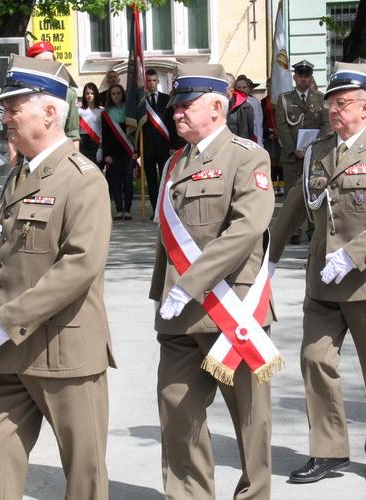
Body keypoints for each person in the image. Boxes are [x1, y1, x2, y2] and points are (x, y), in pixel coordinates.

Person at [0, 55, 114, 499]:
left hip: (62, 348)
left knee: (84, 471)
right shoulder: (20, 174)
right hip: (7, 352)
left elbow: (80, 263)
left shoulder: (82, 179)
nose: (5, 118)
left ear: (50, 112)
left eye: (14, 109)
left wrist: (7, 319)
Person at [270, 61, 366, 486]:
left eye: (343, 102)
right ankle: (328, 449)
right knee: (314, 360)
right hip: (323, 280)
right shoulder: (318, 151)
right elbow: (296, 204)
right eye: (331, 102)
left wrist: (354, 255)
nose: (333, 109)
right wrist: (267, 259)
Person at [150, 62, 280, 499]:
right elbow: (168, 239)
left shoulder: (247, 156)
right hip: (179, 315)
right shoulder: (174, 162)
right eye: (176, 106)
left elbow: (247, 229)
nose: (177, 113)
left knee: (250, 418)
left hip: (231, 309)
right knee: (177, 410)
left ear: (216, 108)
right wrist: (166, 292)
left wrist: (190, 282)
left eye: (186, 105)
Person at [275, 59, 328, 243]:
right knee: (291, 196)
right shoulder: (284, 99)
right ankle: (294, 231)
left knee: (314, 191)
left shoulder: (321, 99)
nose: (304, 79)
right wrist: (293, 150)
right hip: (292, 157)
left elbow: (326, 126)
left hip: (314, 156)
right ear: (295, 77)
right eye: (300, 76)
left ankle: (314, 230)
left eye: (307, 76)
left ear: (311, 77)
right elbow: (282, 127)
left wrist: (315, 149)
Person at [26, 41, 80, 148]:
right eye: (41, 63)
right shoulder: (23, 92)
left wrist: (74, 157)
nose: (46, 66)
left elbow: (73, 133)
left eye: (49, 62)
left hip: (58, 153)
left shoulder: (68, 93)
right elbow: (13, 135)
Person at [143, 68, 181, 212]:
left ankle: (165, 208)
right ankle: (155, 210)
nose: (151, 83)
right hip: (147, 147)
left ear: (158, 81)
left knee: (165, 179)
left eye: (154, 80)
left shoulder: (166, 99)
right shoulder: (141, 102)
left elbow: (172, 124)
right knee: (151, 180)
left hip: (164, 146)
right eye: (148, 81)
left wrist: (174, 144)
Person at [102, 83, 135, 220]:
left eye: (118, 93)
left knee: (128, 180)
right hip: (113, 152)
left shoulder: (129, 111)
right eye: (113, 93)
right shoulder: (106, 113)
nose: (116, 96)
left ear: (123, 94)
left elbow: (135, 132)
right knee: (115, 181)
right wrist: (106, 154)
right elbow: (105, 135)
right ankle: (119, 210)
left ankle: (127, 210)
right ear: (110, 96)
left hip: (128, 150)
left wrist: (136, 150)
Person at [261, 77, 282, 193]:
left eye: (272, 86)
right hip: (270, 135)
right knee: (272, 161)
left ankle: (282, 184)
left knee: (281, 161)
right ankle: (273, 185)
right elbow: (262, 120)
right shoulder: (263, 102)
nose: (270, 88)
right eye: (268, 86)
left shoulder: (281, 100)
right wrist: (268, 133)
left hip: (281, 135)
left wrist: (281, 132)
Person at [79, 82, 103, 166]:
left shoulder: (102, 111)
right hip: (83, 143)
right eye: (87, 93)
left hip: (97, 144)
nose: (89, 95)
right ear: (84, 95)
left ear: (96, 94)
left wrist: (101, 148)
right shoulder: (79, 111)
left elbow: (103, 130)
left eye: (92, 93)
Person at [236, 75, 264, 146]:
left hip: (251, 138)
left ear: (249, 89)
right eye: (239, 87)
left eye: (244, 87)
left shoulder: (255, 102)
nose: (241, 89)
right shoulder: (232, 101)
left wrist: (260, 143)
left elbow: (258, 124)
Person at [225, 73, 255, 140]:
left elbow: (251, 132)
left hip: (240, 144)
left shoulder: (246, 107)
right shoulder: (215, 105)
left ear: (231, 91)